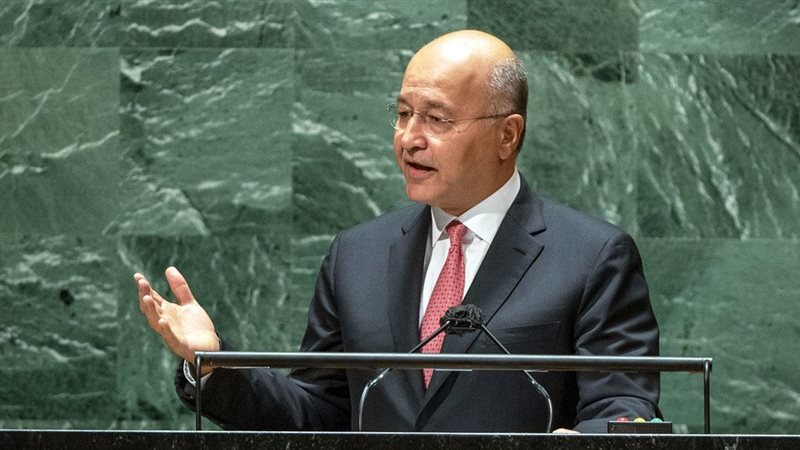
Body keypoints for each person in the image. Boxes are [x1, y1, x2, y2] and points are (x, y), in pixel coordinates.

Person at [135, 29, 660, 433]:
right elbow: (319, 411)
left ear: (507, 135)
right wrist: (213, 363)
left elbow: (623, 407)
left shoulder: (591, 256)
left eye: (436, 119)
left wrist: (591, 441)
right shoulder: (357, 255)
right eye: (404, 114)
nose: (409, 138)